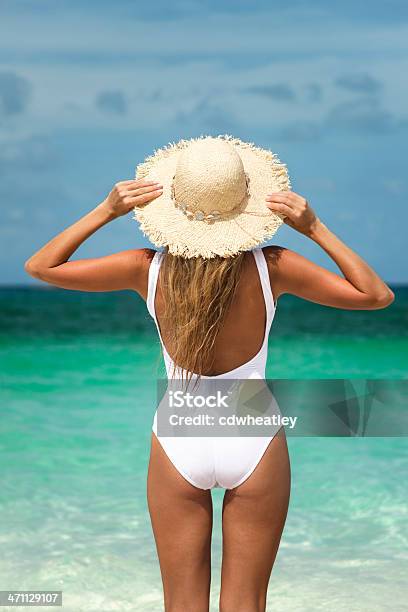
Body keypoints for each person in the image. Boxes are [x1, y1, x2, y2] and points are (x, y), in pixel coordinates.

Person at [25, 135, 394, 612]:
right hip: (253, 431)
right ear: (245, 203)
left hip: (180, 431)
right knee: (245, 604)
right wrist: (314, 227)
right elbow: (376, 295)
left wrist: (106, 210)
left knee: (181, 604)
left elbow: (41, 266)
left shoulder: (146, 269)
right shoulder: (272, 266)